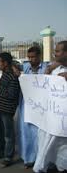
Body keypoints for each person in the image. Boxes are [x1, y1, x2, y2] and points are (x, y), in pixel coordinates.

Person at [33, 41, 67, 173]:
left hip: (64, 126)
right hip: (50, 122)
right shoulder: (54, 70)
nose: (55, 53)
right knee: (47, 154)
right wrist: (47, 72)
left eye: (58, 51)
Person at [16, 46, 48, 168]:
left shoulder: (46, 68)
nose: (31, 59)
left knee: (40, 135)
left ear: (40, 56)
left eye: (33, 57)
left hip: (42, 108)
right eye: (29, 57)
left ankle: (42, 161)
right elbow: (13, 67)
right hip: (27, 106)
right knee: (27, 134)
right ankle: (29, 159)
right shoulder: (26, 68)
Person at [0, 52, 20, 168]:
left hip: (7, 110)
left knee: (8, 135)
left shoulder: (12, 76)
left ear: (5, 63)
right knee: (2, 132)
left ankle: (8, 157)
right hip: (1, 108)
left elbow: (12, 94)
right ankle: (1, 152)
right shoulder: (5, 74)